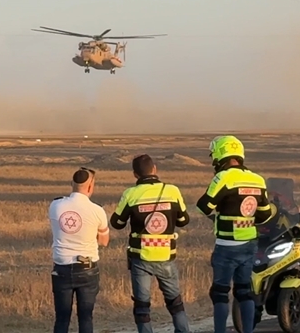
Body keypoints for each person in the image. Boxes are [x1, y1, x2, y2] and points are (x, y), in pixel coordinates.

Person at [195, 136, 274, 333]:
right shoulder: (258, 180)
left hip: (227, 245)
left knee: (220, 293)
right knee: (245, 291)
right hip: (249, 244)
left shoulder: (223, 178)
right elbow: (265, 215)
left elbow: (204, 206)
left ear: (220, 155)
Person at [110, 154, 191, 333]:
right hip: (166, 256)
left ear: (135, 174)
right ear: (154, 169)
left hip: (141, 257)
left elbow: (117, 223)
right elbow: (184, 220)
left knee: (142, 306)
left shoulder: (130, 194)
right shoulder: (172, 191)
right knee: (175, 303)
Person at [48, 167, 110, 333]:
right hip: (87, 268)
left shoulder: (55, 205)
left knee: (62, 318)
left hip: (61, 268)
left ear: (72, 184)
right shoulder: (97, 211)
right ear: (90, 186)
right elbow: (104, 241)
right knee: (85, 317)